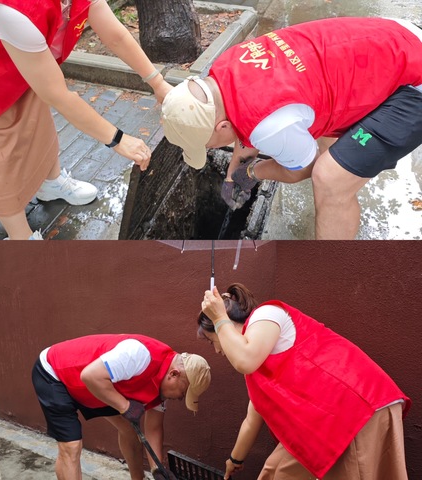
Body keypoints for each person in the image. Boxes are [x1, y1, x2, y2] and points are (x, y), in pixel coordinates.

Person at [161, 17, 422, 239]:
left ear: (222, 126)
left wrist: (251, 173)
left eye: (209, 144)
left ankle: (336, 277)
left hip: (414, 80)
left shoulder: (270, 126)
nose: (213, 149)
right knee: (328, 141)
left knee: (330, 178)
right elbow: (246, 120)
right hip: (396, 37)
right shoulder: (226, 66)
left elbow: (303, 168)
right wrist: (234, 172)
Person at [0, 0, 172, 239]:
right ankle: (21, 237)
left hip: (7, 59)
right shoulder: (16, 13)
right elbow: (58, 95)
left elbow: (115, 36)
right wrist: (118, 140)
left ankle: (50, 183)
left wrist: (158, 83)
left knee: (36, 121)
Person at [198, 283, 411, 480]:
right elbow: (252, 420)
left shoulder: (265, 315)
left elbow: (244, 360)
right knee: (274, 471)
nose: (218, 350)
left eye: (212, 341)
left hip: (357, 409)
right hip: (335, 420)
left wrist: (218, 319)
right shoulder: (257, 363)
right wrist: (235, 460)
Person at [32, 333, 211, 480]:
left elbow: (153, 428)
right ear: (174, 374)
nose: (180, 398)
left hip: (98, 387)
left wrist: (157, 469)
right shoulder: (139, 355)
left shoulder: (164, 386)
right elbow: (90, 376)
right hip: (56, 373)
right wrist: (125, 405)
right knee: (71, 446)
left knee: (129, 430)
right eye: (183, 392)